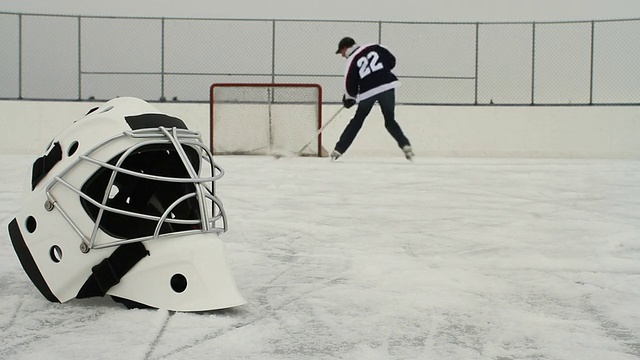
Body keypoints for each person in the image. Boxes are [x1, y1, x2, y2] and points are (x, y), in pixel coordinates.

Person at [331, 36, 413, 161]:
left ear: (345, 48)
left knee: (357, 121)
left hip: (368, 92)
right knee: (390, 121)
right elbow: (391, 60)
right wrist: (382, 73)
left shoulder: (352, 60)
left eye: (341, 52)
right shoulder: (375, 46)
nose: (342, 56)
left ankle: (338, 150)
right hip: (387, 86)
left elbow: (349, 83)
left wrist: (349, 98)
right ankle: (405, 145)